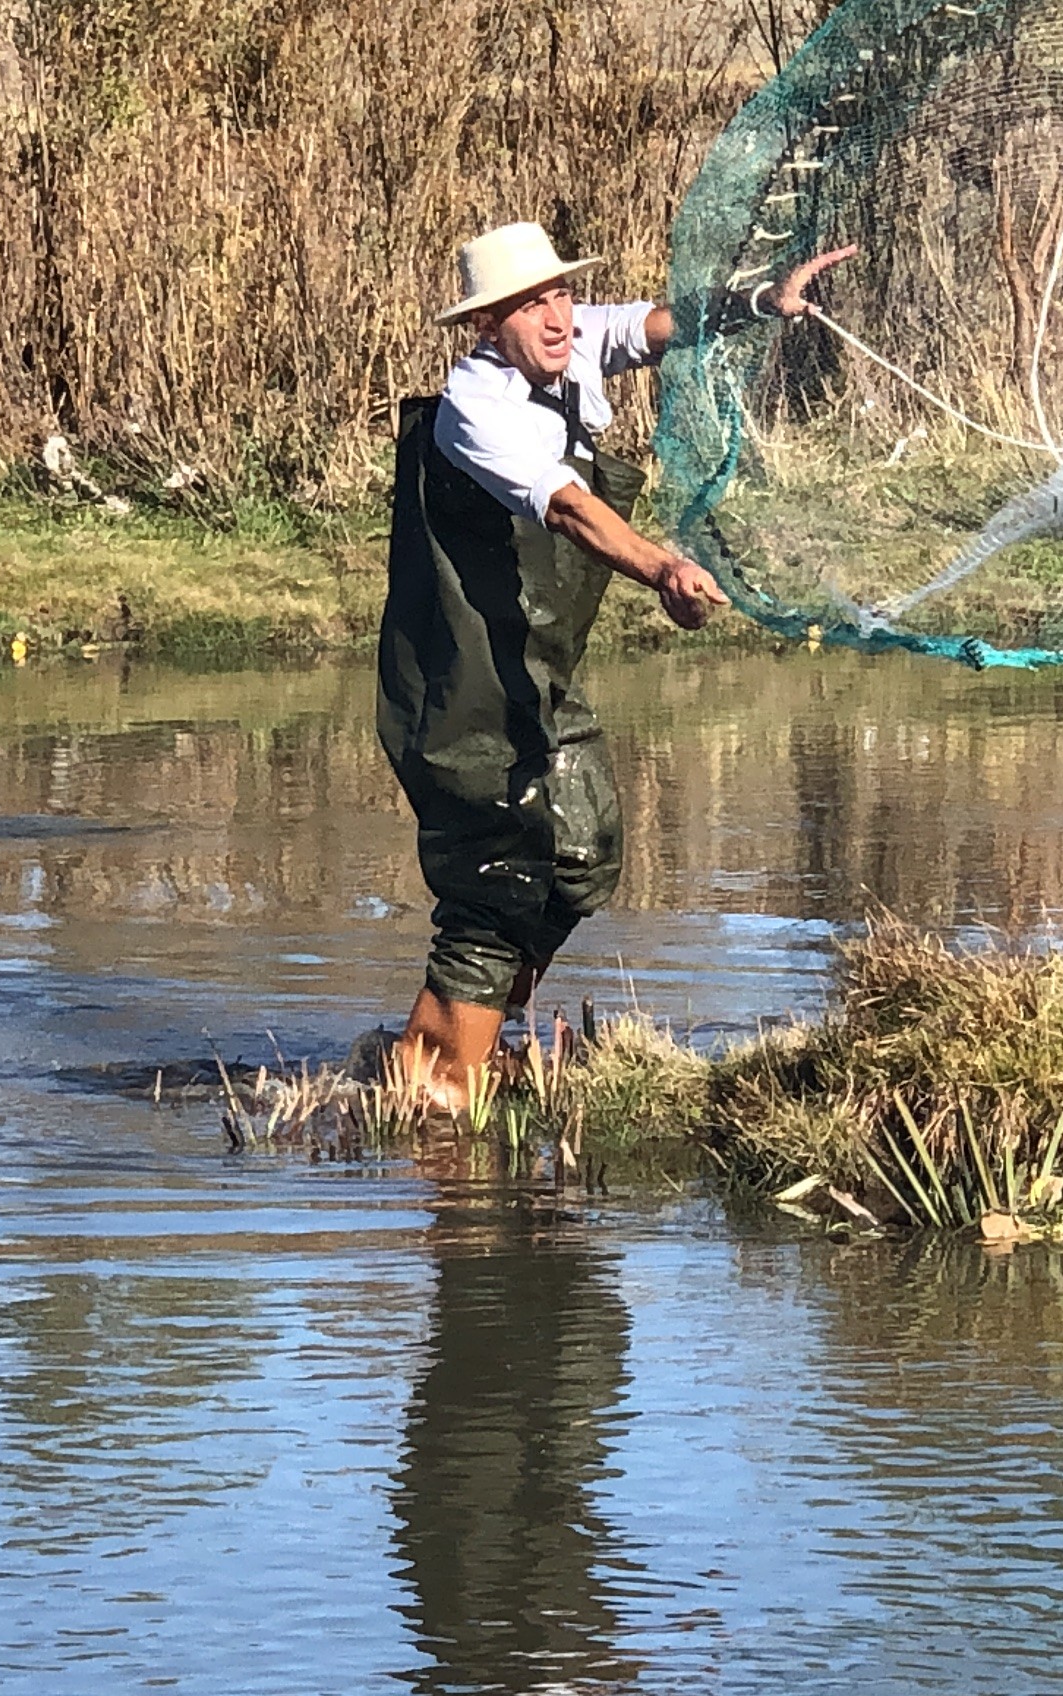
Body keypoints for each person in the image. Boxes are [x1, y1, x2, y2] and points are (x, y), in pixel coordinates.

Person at [378, 221, 852, 1105]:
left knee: (583, 853)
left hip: (533, 669)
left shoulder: (572, 343)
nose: (557, 316)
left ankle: (469, 1042)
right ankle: (433, 1081)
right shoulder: (476, 404)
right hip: (459, 686)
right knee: (498, 873)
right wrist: (664, 568)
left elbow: (655, 327)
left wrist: (761, 301)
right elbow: (565, 510)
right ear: (485, 324)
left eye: (560, 293)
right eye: (530, 305)